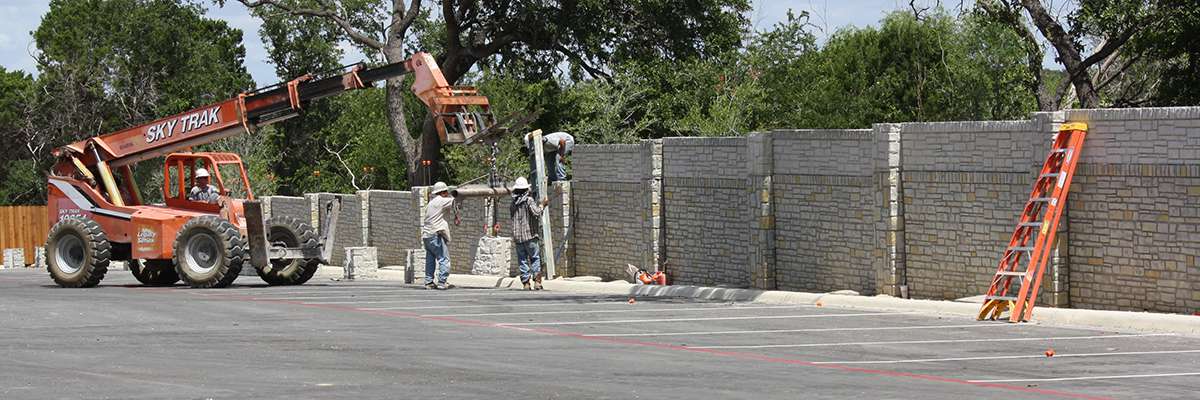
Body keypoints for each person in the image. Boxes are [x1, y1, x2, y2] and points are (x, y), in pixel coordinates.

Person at [510, 177, 549, 290]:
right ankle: (537, 282)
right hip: (530, 235)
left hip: (518, 237)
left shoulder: (513, 203)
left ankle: (526, 283)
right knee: (535, 258)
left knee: (522, 260)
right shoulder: (529, 201)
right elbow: (536, 213)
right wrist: (542, 205)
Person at [422, 181, 459, 290]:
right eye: (446, 192)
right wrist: (458, 193)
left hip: (427, 235)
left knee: (430, 259)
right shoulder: (441, 201)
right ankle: (442, 282)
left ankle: (429, 282)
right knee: (444, 258)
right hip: (436, 235)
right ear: (443, 192)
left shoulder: (432, 203)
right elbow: (456, 201)